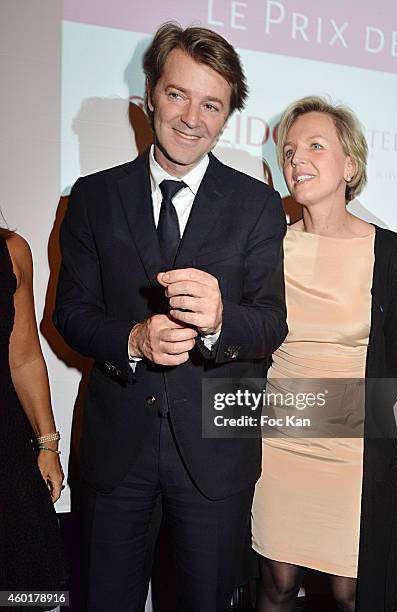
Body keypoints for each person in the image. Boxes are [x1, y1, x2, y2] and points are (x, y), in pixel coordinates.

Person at [53, 22, 287, 612]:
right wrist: (131, 337)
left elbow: (270, 323)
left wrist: (218, 321)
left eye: (212, 104)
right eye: (179, 94)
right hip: (114, 451)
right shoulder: (92, 196)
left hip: (216, 455)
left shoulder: (257, 204)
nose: (192, 117)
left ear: (228, 115)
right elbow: (70, 314)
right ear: (151, 93)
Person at [251, 96, 397, 611]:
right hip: (279, 446)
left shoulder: (390, 252)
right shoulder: (267, 247)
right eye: (289, 151)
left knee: (353, 593)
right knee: (277, 585)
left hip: (353, 453)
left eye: (315, 146)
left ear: (351, 165)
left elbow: (395, 363)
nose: (296, 158)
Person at [0, 228, 66, 601]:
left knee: (19, 588)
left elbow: (23, 357)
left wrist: (48, 445)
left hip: (5, 447)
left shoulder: (11, 250)